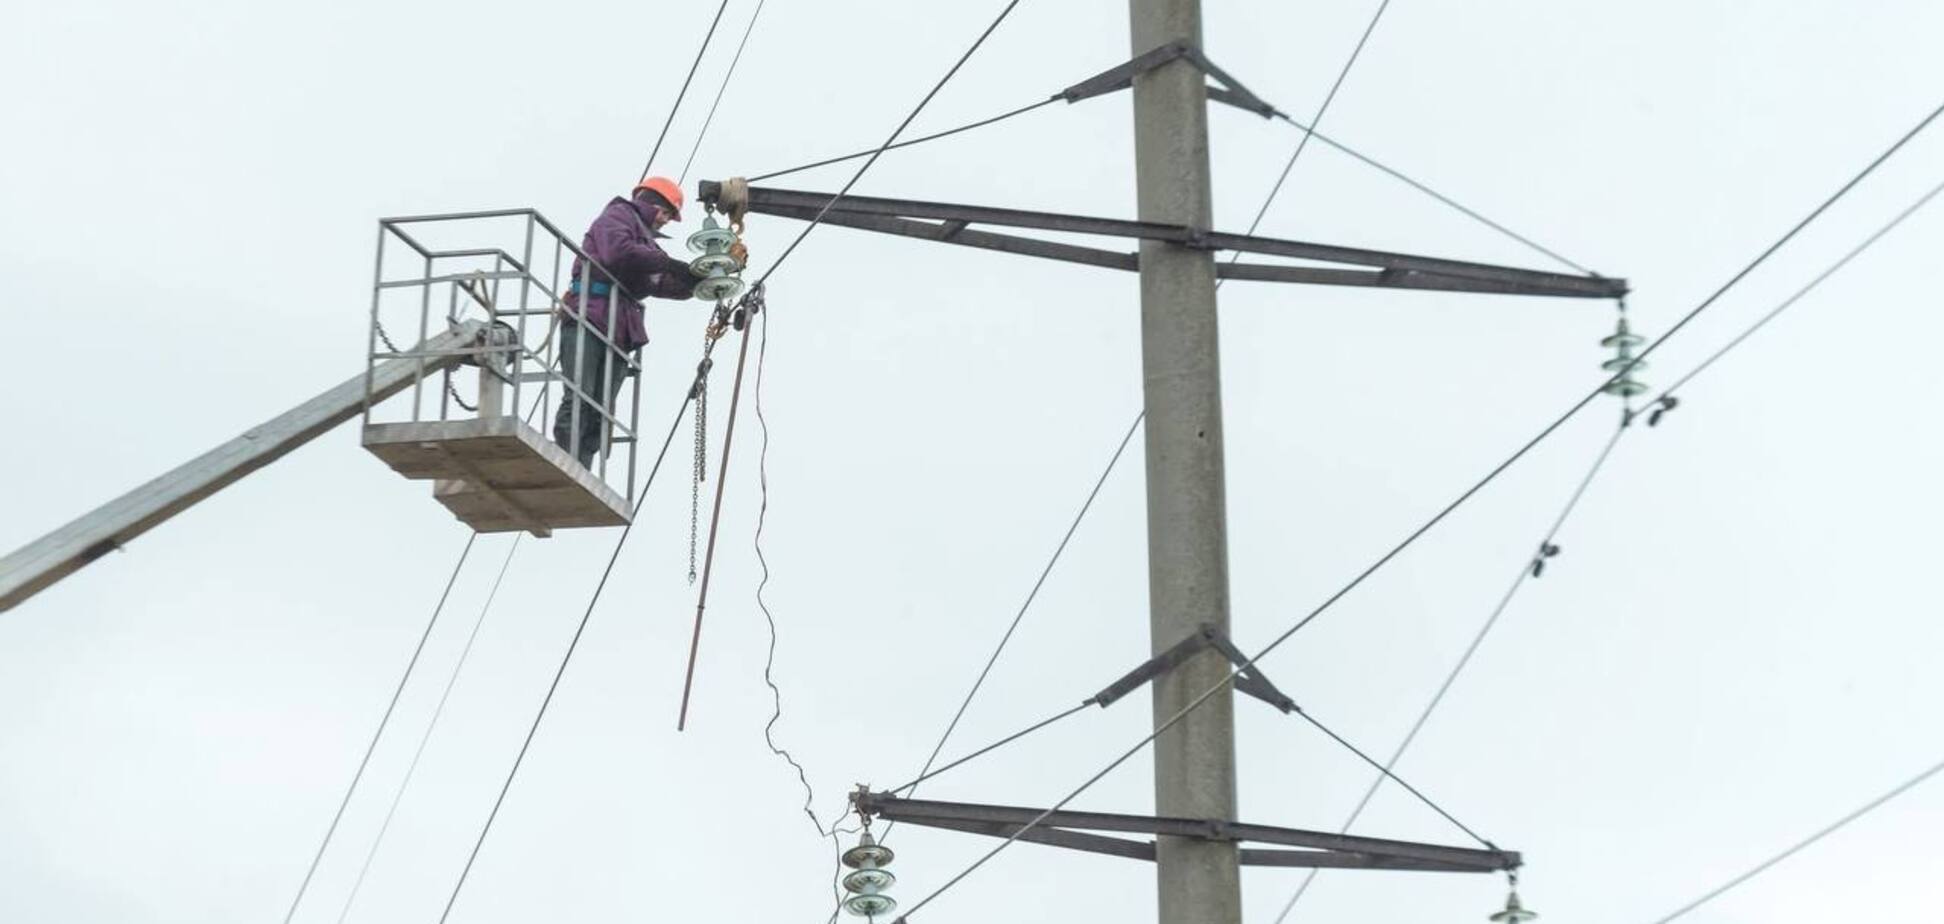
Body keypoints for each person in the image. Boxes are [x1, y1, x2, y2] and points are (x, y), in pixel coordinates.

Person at [553, 176, 699, 468]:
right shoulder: (617, 217)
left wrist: (696, 284)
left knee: (601, 410)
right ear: (654, 204)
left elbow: (657, 282)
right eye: (668, 214)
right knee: (579, 397)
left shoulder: (647, 244)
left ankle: (581, 468)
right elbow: (617, 252)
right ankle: (566, 464)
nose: (666, 222)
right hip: (588, 317)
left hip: (618, 330)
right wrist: (668, 263)